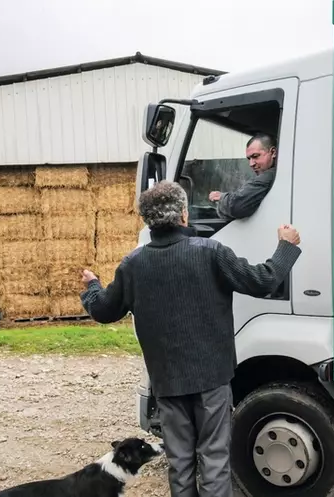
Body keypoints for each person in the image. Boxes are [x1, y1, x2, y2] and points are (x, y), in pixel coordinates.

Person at [78, 180, 302, 497]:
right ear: (184, 214)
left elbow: (103, 310)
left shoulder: (133, 264)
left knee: (180, 463)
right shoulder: (209, 252)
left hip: (167, 383)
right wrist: (286, 247)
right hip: (211, 380)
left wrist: (91, 286)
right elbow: (263, 280)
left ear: (148, 220)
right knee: (214, 459)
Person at [209, 132, 277, 220]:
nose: (251, 164)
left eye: (256, 156)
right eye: (249, 159)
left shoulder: (269, 177)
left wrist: (222, 198)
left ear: (273, 152)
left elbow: (236, 206)